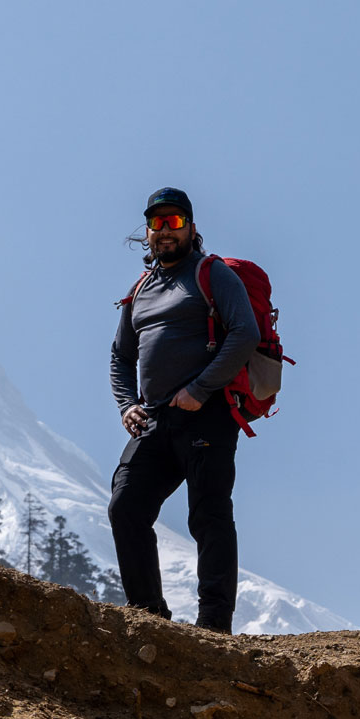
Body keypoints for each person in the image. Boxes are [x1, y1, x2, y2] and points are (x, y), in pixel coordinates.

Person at [107, 187, 260, 634]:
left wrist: (201, 387)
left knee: (208, 514)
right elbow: (120, 356)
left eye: (174, 222)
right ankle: (149, 616)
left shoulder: (211, 274)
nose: (164, 231)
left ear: (191, 228)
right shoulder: (140, 290)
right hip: (154, 419)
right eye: (157, 224)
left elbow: (244, 333)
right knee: (126, 507)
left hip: (207, 413)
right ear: (148, 233)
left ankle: (214, 624)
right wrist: (127, 405)